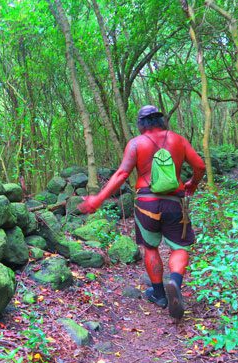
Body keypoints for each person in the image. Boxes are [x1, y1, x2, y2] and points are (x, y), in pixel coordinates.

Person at [78, 105, 205, 319]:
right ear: (161, 121)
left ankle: (159, 295)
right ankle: (174, 282)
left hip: (147, 203)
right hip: (175, 202)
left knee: (151, 247)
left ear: (141, 124)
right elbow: (200, 166)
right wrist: (192, 184)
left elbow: (121, 174)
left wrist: (98, 199)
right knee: (179, 247)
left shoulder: (136, 144)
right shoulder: (178, 139)